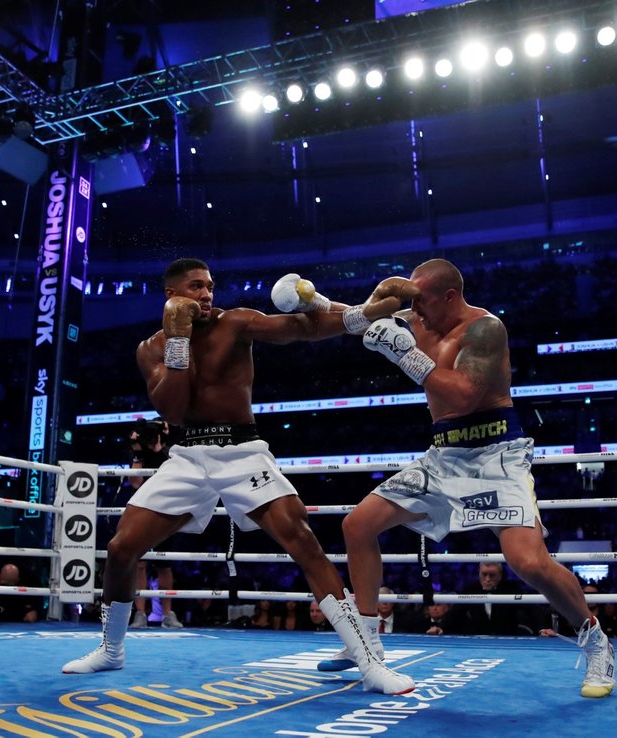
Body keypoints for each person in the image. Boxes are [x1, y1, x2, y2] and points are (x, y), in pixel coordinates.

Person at [61, 257, 413, 694]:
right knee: (120, 548)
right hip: (188, 456)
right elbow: (171, 409)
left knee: (302, 540)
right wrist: (177, 337)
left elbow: (300, 329)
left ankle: (367, 662)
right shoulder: (150, 347)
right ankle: (111, 651)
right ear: (172, 296)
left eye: (209, 286)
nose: (207, 295)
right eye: (196, 287)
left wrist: (367, 313)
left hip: (243, 451)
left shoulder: (236, 323)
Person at [314, 258, 616, 698]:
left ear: (450, 297)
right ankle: (367, 644)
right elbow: (358, 317)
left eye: (424, 303)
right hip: (444, 455)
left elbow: (464, 393)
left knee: (528, 562)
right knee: (357, 525)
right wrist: (314, 300)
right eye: (412, 304)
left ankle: (596, 641)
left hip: (495, 454)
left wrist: (404, 353)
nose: (416, 313)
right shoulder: (417, 315)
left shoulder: (485, 329)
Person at [125, 419, 183, 629]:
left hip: (165, 509)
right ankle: (140, 613)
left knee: (164, 564)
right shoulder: (137, 452)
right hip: (141, 509)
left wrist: (158, 449)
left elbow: (171, 478)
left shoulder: (171, 452)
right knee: (139, 564)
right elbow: (135, 482)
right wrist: (139, 453)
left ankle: (167, 614)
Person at [464, 561, 534, 636]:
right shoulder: (471, 589)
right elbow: (455, 613)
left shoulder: (510, 589)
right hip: (476, 640)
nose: (487, 579)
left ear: (500, 575)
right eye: (484, 574)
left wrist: (542, 629)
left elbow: (532, 609)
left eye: (492, 575)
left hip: (507, 638)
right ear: (479, 573)